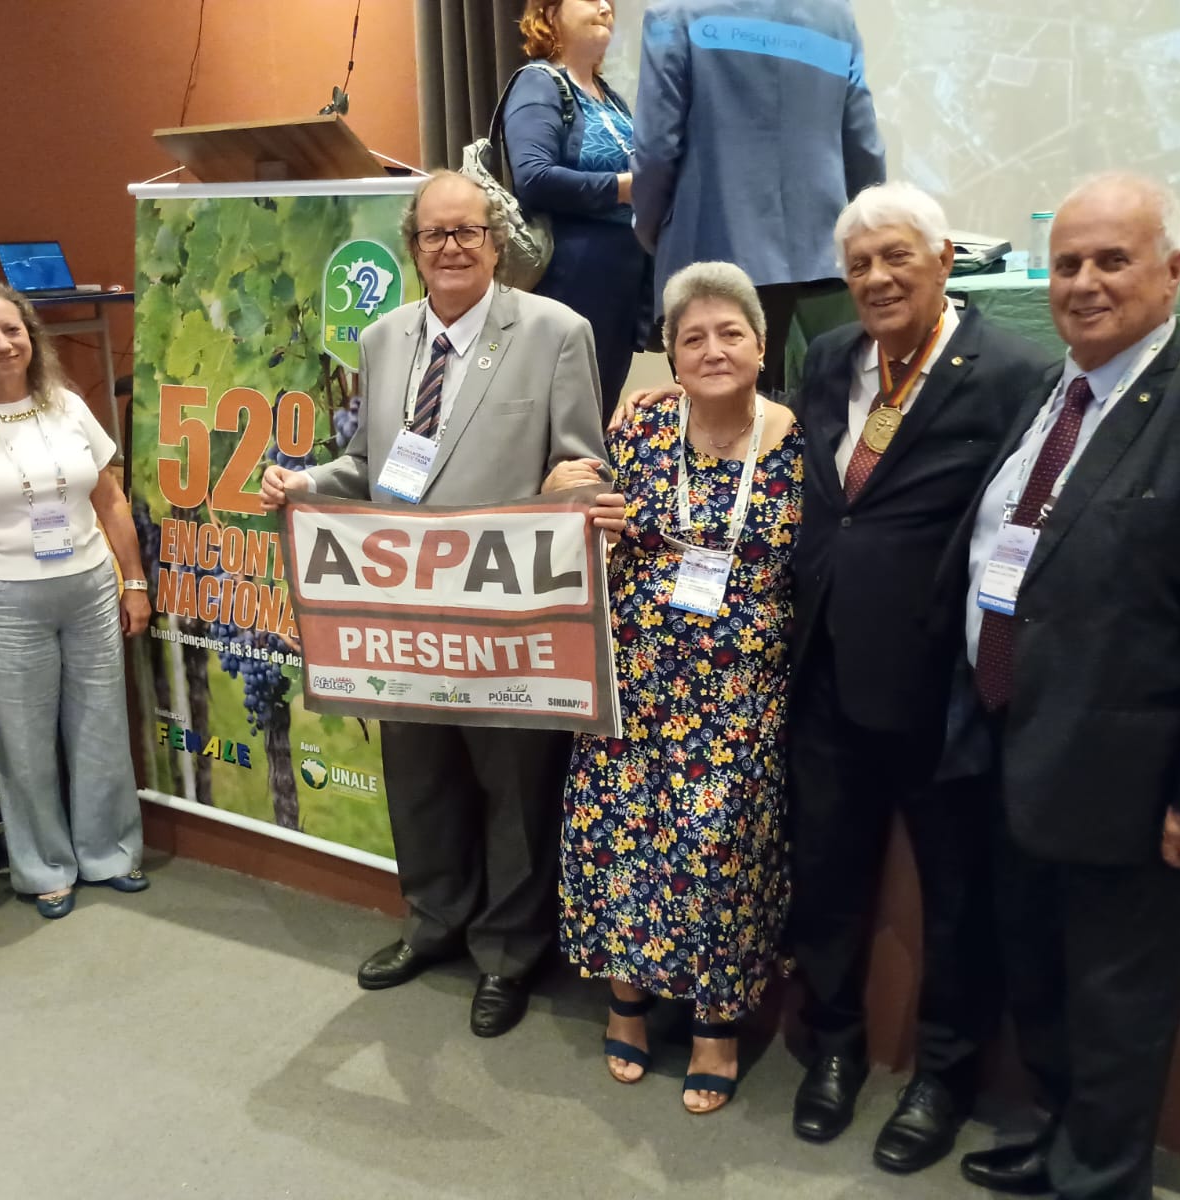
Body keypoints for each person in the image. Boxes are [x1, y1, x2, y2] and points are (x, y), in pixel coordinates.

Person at [954, 172, 1180, 1199]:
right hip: (1016, 748)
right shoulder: (1049, 395)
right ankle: (1059, 1141)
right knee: (1042, 980)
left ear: (1174, 272)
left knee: (1117, 1005)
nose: (1083, 283)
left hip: (1132, 786)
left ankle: (1101, 1179)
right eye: (1067, 264)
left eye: (1111, 261)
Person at [260, 170, 607, 1038]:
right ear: (413, 247)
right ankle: (434, 921)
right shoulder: (383, 340)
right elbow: (370, 465)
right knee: (419, 780)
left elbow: (582, 465)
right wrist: (307, 483)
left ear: (495, 241)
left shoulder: (556, 332)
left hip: (509, 622)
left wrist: (570, 485)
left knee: (514, 792)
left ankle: (509, 953)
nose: (451, 248)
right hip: (401, 621)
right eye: (434, 234)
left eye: (468, 232)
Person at [783, 183, 1050, 1172]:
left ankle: (944, 1076)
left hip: (939, 688)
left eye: (897, 256)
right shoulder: (826, 358)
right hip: (824, 671)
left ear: (945, 259)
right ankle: (833, 1046)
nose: (877, 278)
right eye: (858, 264)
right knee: (825, 875)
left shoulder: (1013, 371)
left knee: (957, 897)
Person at [547, 261, 799, 1114]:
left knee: (718, 856)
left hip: (739, 701)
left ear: (761, 346)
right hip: (633, 684)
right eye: (692, 338)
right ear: (670, 355)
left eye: (730, 333)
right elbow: (576, 521)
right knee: (615, 841)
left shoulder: (797, 444)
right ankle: (626, 1002)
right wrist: (571, 500)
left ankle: (715, 1024)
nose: (712, 349)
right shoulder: (641, 430)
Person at [0, 281, 151, 921]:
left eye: (11, 330)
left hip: (89, 588)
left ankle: (108, 852)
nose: (2, 344)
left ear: (31, 335)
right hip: (0, 599)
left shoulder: (67, 405)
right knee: (22, 742)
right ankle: (44, 867)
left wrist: (133, 581)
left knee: (101, 725)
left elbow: (110, 499)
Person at [632, 0, 886, 395]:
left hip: (709, 253)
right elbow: (864, 145)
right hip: (823, 260)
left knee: (721, 420)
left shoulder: (674, 14)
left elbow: (655, 150)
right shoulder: (836, 17)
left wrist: (650, 232)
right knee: (825, 413)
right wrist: (862, 238)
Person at [503, 0, 651, 411]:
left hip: (620, 283)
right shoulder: (539, 83)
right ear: (549, 14)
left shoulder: (612, 99)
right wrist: (622, 188)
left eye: (609, 2)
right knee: (559, 420)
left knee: (595, 418)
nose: (605, 7)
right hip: (569, 280)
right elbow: (533, 178)